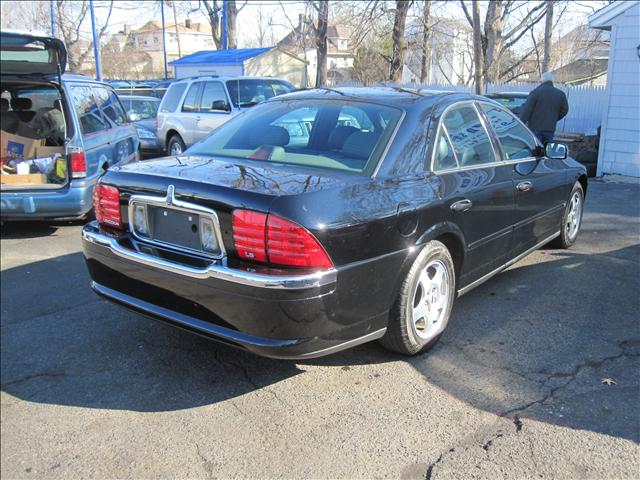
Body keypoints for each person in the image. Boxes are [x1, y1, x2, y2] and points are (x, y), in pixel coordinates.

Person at [520, 72, 569, 144]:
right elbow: (565, 110)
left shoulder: (535, 92)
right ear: (552, 81)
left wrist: (521, 123)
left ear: (542, 80)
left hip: (535, 127)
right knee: (547, 150)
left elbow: (527, 110)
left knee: (536, 148)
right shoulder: (560, 94)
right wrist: (554, 118)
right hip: (550, 128)